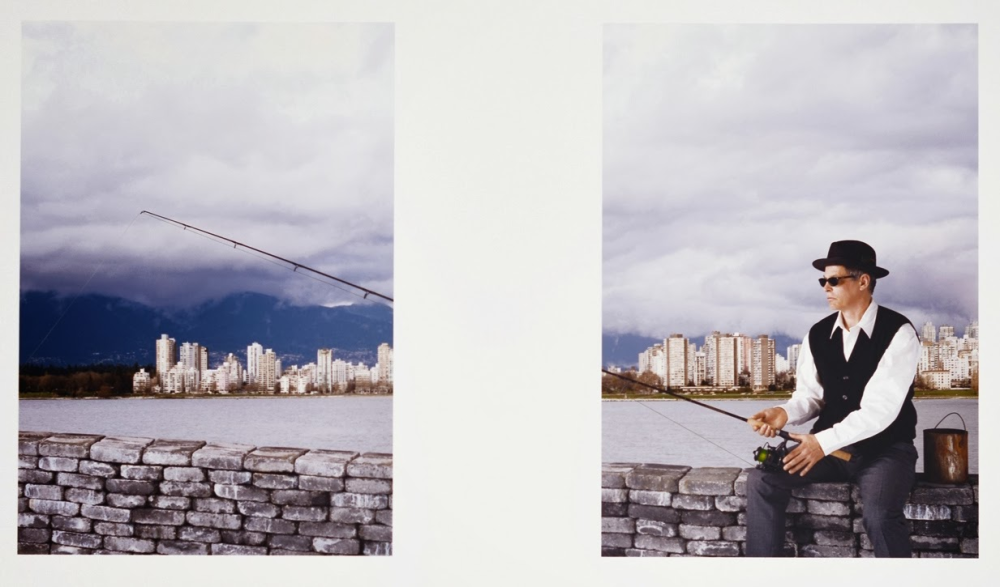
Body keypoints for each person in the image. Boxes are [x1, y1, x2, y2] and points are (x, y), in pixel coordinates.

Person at [745, 240, 920, 557]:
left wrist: (820, 442)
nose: (826, 287)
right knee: (762, 479)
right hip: (828, 448)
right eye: (822, 280)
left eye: (834, 280)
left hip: (886, 451)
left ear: (863, 281)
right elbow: (810, 397)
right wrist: (782, 414)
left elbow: (880, 411)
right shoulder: (817, 334)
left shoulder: (899, 332)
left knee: (880, 517)